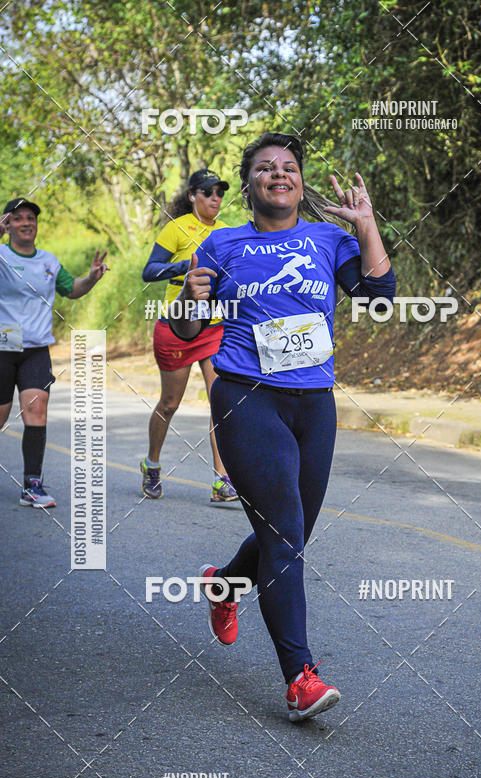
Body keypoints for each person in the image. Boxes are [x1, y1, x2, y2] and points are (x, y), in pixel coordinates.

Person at [176, 133, 396, 721]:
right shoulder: (221, 243)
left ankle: (224, 585)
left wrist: (366, 224)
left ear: (300, 182)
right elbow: (185, 329)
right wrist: (189, 300)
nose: (280, 174)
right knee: (285, 533)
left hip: (314, 403)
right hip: (247, 396)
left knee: (291, 534)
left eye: (290, 168)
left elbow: (379, 296)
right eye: (266, 168)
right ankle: (299, 676)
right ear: (247, 184)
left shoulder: (328, 238)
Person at [0, 197, 108, 508]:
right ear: (8, 224)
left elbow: (72, 289)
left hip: (35, 348)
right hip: (3, 347)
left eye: (31, 218)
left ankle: (32, 483)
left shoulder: (49, 261)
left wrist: (91, 278)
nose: (26, 223)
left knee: (37, 408)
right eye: (18, 218)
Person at [140, 169, 238, 503]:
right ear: (193, 195)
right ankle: (152, 464)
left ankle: (221, 479)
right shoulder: (176, 228)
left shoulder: (227, 233)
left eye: (220, 193)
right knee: (170, 403)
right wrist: (185, 267)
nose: (216, 198)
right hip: (178, 328)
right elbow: (149, 271)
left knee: (220, 402)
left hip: (213, 328)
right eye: (209, 192)